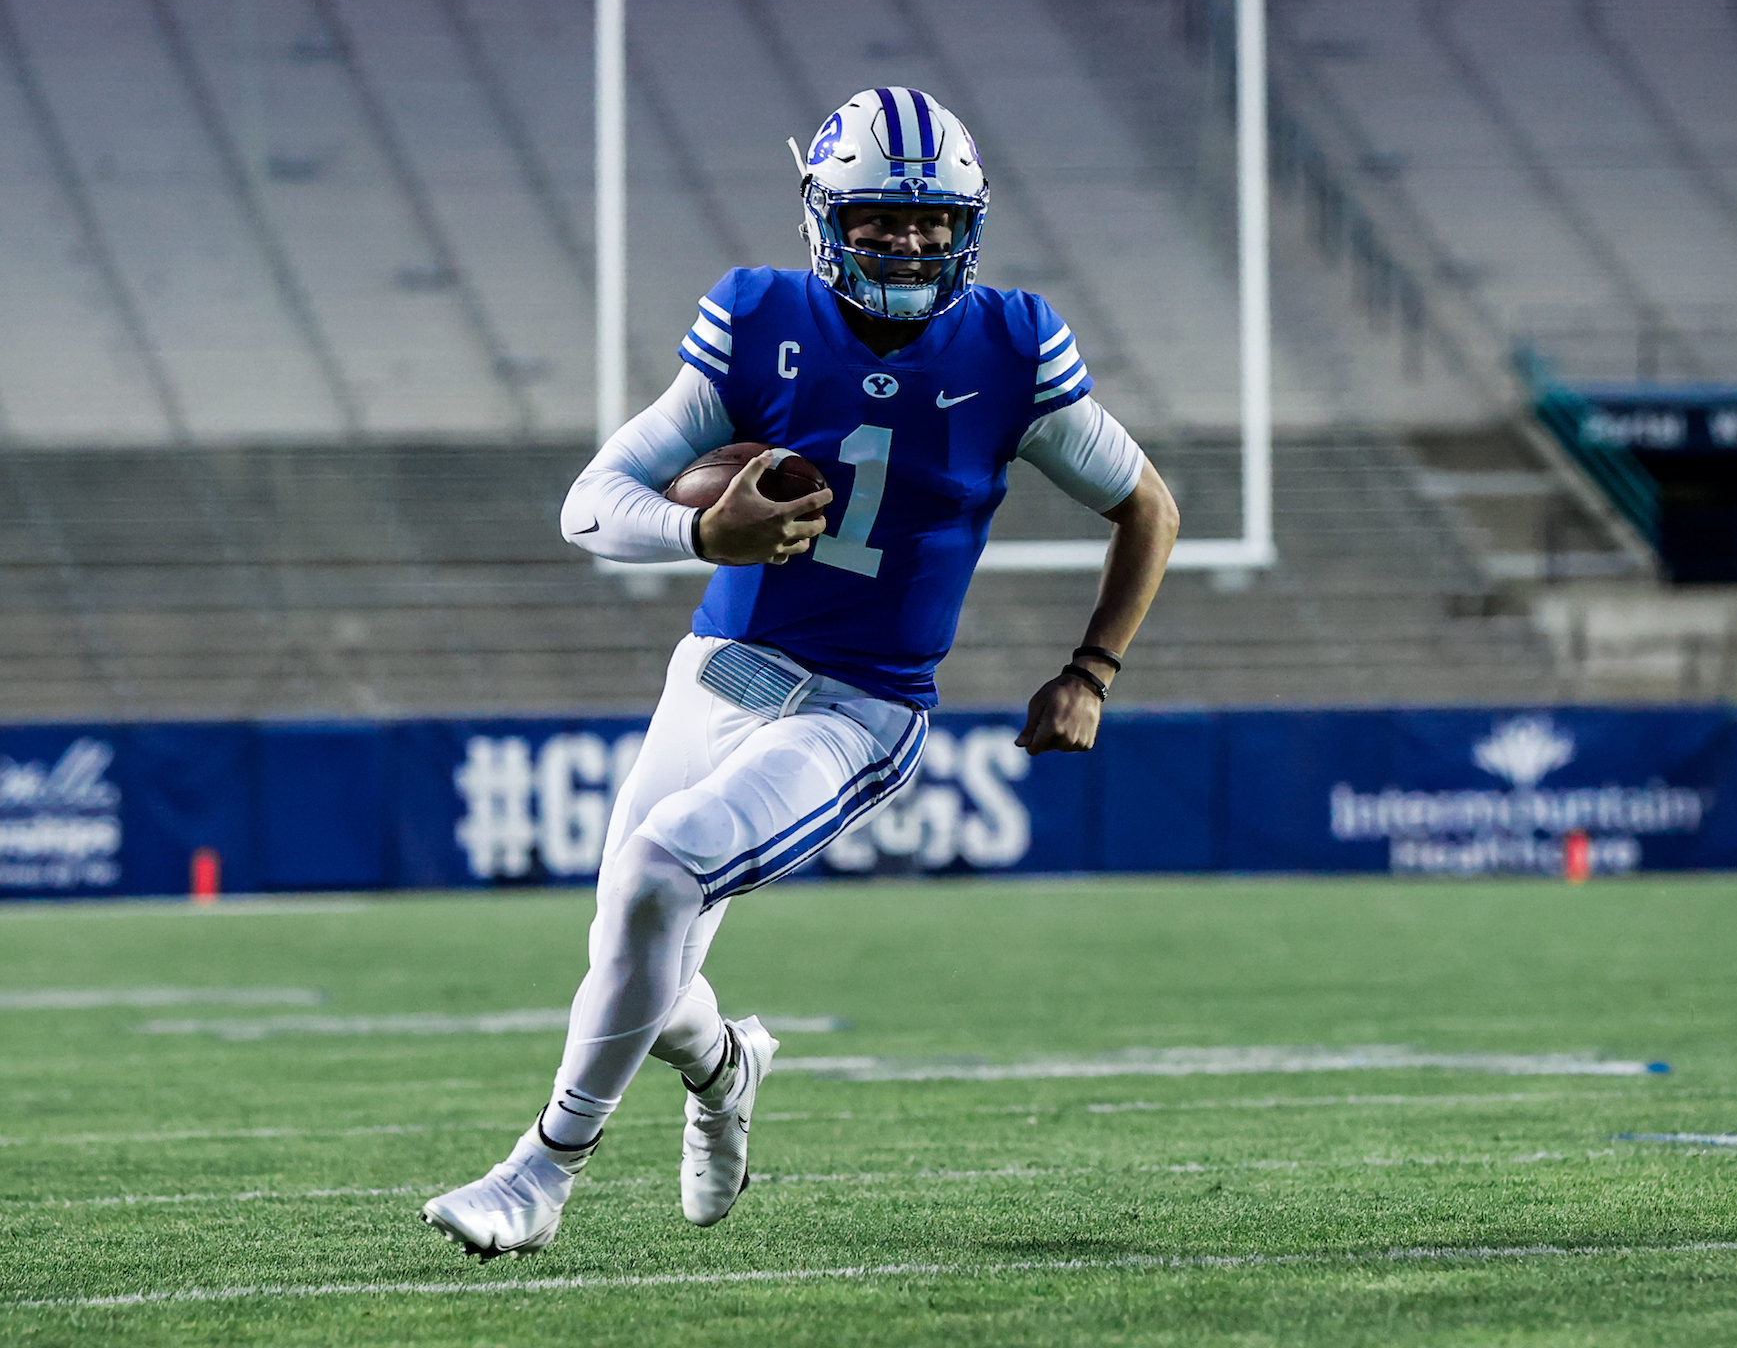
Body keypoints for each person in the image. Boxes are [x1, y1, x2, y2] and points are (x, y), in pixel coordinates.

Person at [421, 87, 1181, 1260]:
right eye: (883, 216)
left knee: (658, 877)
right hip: (724, 664)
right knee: (633, 939)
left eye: (934, 221)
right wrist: (701, 535)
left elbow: (1148, 505)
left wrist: (1092, 669)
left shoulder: (1014, 345)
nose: (912, 242)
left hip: (860, 703)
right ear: (827, 216)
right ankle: (728, 1069)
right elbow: (590, 502)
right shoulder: (758, 318)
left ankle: (540, 1171)